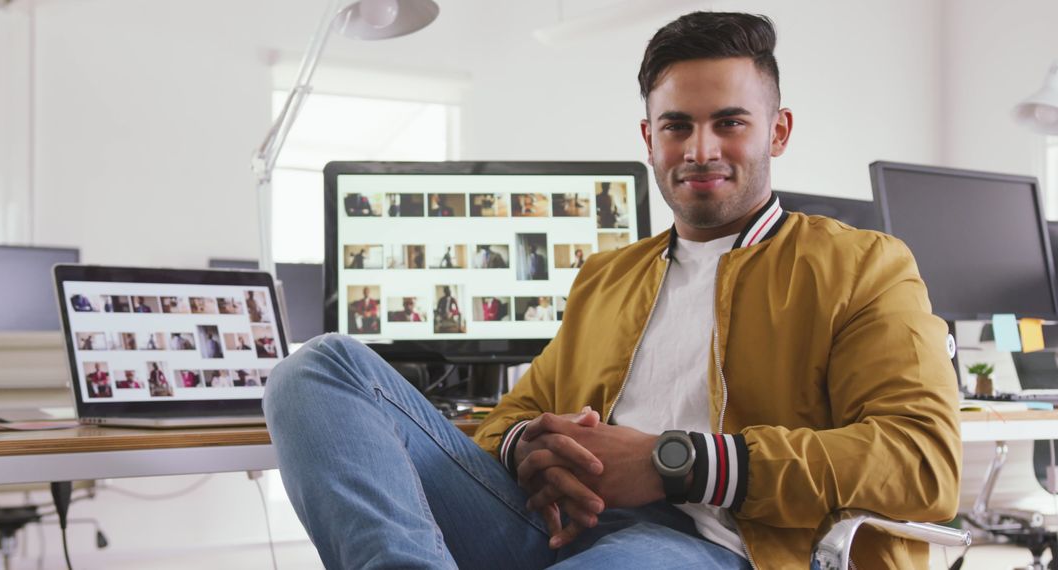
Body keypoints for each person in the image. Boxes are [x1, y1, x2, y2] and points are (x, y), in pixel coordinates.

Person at [263, 11, 960, 570]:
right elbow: (514, 416)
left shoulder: (864, 265)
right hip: (553, 525)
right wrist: (530, 450)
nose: (700, 149)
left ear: (778, 131)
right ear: (648, 138)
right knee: (315, 369)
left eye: (730, 122)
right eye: (677, 125)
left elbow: (923, 464)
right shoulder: (609, 275)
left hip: (707, 543)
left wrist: (675, 465)